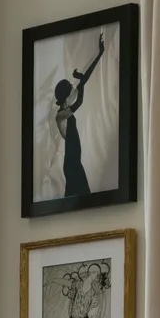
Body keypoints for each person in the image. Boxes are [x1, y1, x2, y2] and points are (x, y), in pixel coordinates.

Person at [54, 30, 105, 199]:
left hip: (76, 163)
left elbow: (85, 82)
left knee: (81, 197)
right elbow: (79, 103)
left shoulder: (67, 110)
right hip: (71, 164)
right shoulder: (60, 115)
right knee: (80, 197)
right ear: (66, 94)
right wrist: (81, 80)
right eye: (71, 87)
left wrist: (100, 53)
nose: (74, 89)